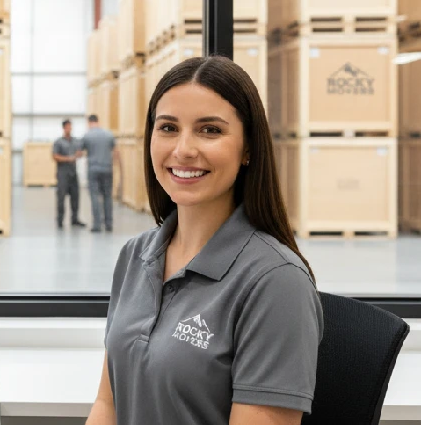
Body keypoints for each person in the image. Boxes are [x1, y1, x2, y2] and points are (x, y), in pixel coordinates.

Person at [86, 56, 323, 425]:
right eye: (167, 128)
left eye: (209, 130)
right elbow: (108, 405)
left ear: (248, 149)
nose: (183, 149)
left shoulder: (277, 281)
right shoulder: (136, 256)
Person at [80, 114, 119, 232]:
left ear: (89, 122)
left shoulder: (87, 135)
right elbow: (116, 152)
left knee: (95, 196)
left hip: (93, 170)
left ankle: (97, 225)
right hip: (107, 169)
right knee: (107, 196)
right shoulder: (108, 134)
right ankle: (108, 224)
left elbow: (79, 152)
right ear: (98, 121)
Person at [53, 119, 86, 229]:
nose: (69, 129)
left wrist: (79, 154)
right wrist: (68, 158)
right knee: (61, 198)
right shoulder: (58, 142)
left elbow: (80, 152)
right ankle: (60, 220)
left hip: (73, 173)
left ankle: (75, 219)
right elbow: (55, 156)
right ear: (64, 128)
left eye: (70, 127)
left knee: (75, 197)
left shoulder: (75, 141)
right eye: (67, 127)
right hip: (62, 174)